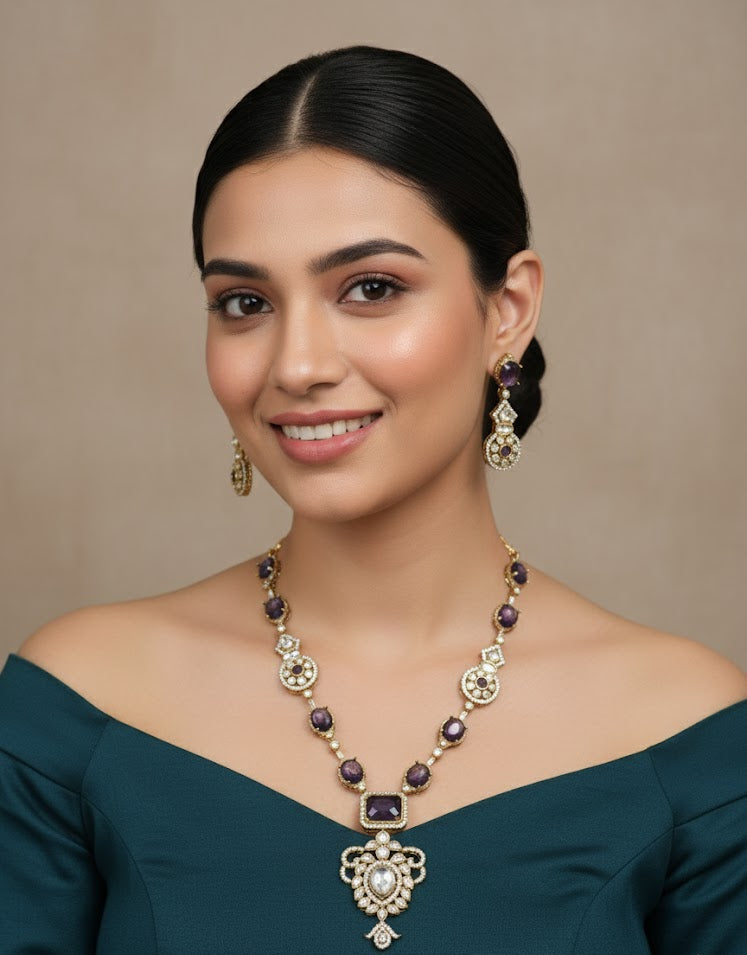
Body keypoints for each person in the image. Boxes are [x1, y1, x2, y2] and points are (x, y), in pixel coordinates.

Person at [1, 44, 745, 954]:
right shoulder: (78, 706)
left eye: (371, 288)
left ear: (507, 308)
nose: (297, 365)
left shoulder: (690, 734)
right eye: (243, 302)